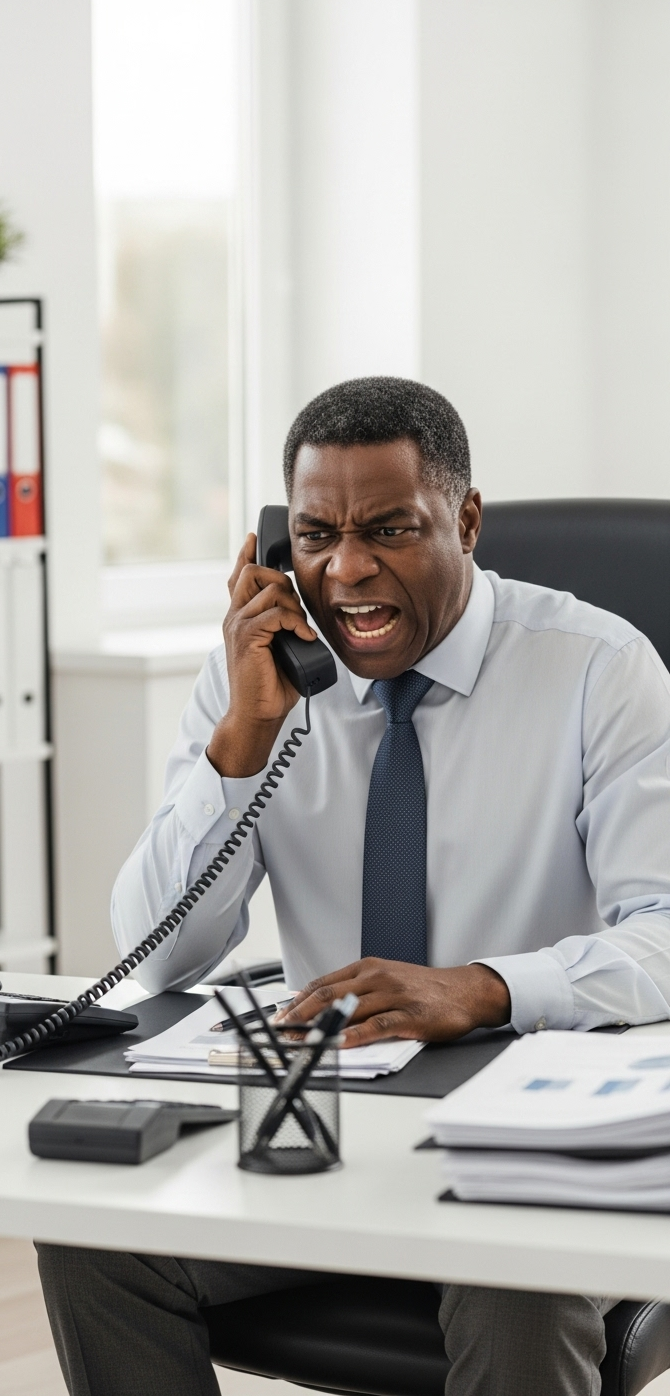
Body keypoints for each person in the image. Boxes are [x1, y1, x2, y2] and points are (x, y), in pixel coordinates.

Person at [37, 377, 670, 1396]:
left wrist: (483, 986)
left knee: (512, 1279)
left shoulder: (598, 669)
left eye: (389, 529)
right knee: (95, 1239)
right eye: (319, 533)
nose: (348, 570)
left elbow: (666, 931)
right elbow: (155, 953)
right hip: (326, 1124)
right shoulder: (259, 675)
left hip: (532, 1135)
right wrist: (242, 738)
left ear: (465, 520)